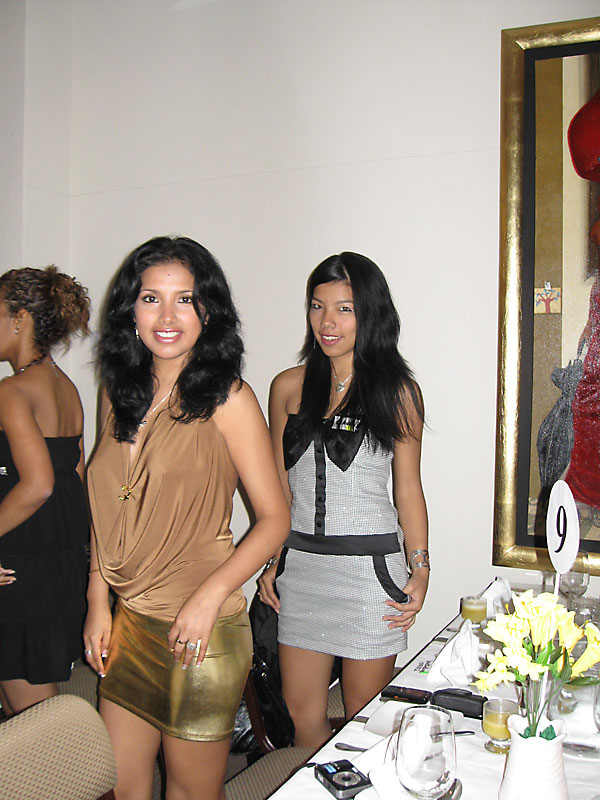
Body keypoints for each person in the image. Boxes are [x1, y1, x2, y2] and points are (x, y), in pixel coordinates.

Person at [84, 236, 289, 800]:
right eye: (151, 299)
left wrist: (209, 596)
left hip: (200, 631)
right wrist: (97, 599)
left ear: (208, 311)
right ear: (130, 309)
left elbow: (275, 518)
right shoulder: (117, 391)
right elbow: (107, 508)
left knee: (190, 793)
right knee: (124, 788)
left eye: (185, 300)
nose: (167, 317)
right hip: (129, 622)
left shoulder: (228, 398)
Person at [259, 252, 429, 748]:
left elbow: (408, 489)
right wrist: (272, 559)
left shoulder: (398, 392)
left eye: (344, 309)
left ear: (370, 313)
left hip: (370, 576)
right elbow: (277, 488)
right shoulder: (286, 387)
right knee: (302, 715)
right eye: (318, 306)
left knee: (365, 718)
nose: (327, 322)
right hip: (302, 572)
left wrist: (420, 569)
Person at [0, 266, 90, 714]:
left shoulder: (13, 390)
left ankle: (65, 760)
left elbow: (38, 485)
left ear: (20, 319)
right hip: (58, 558)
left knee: (32, 710)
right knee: (26, 697)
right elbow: (78, 476)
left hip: (22, 562)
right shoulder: (65, 387)